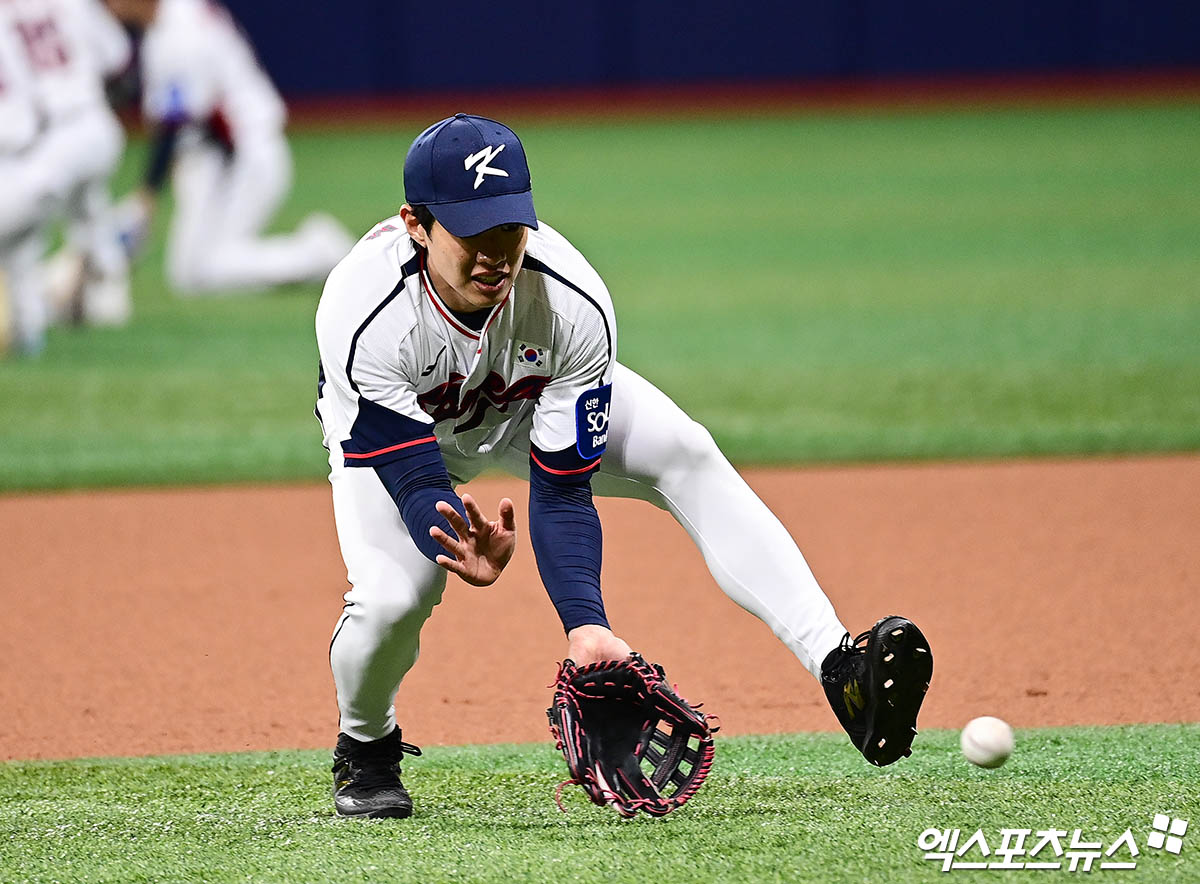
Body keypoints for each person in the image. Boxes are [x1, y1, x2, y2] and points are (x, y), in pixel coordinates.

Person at [314, 114, 934, 819]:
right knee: (396, 598)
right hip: (404, 440)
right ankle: (366, 745)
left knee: (686, 452)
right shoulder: (365, 311)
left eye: (509, 229)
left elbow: (563, 489)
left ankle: (840, 668)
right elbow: (417, 478)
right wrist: (449, 532)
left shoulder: (570, 300)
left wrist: (586, 626)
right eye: (473, 233)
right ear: (416, 224)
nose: (496, 254)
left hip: (520, 407)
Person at [107, 0, 352, 294]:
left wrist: (146, 197)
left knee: (200, 271)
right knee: (195, 270)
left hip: (243, 157)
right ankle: (316, 254)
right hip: (233, 150)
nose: (111, 6)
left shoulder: (180, 36)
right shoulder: (178, 14)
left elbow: (174, 124)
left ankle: (319, 255)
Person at [0, 0, 130, 348]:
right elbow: (119, 57)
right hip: (92, 120)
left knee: (21, 228)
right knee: (83, 214)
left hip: (49, 137)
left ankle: (44, 309)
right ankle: (98, 293)